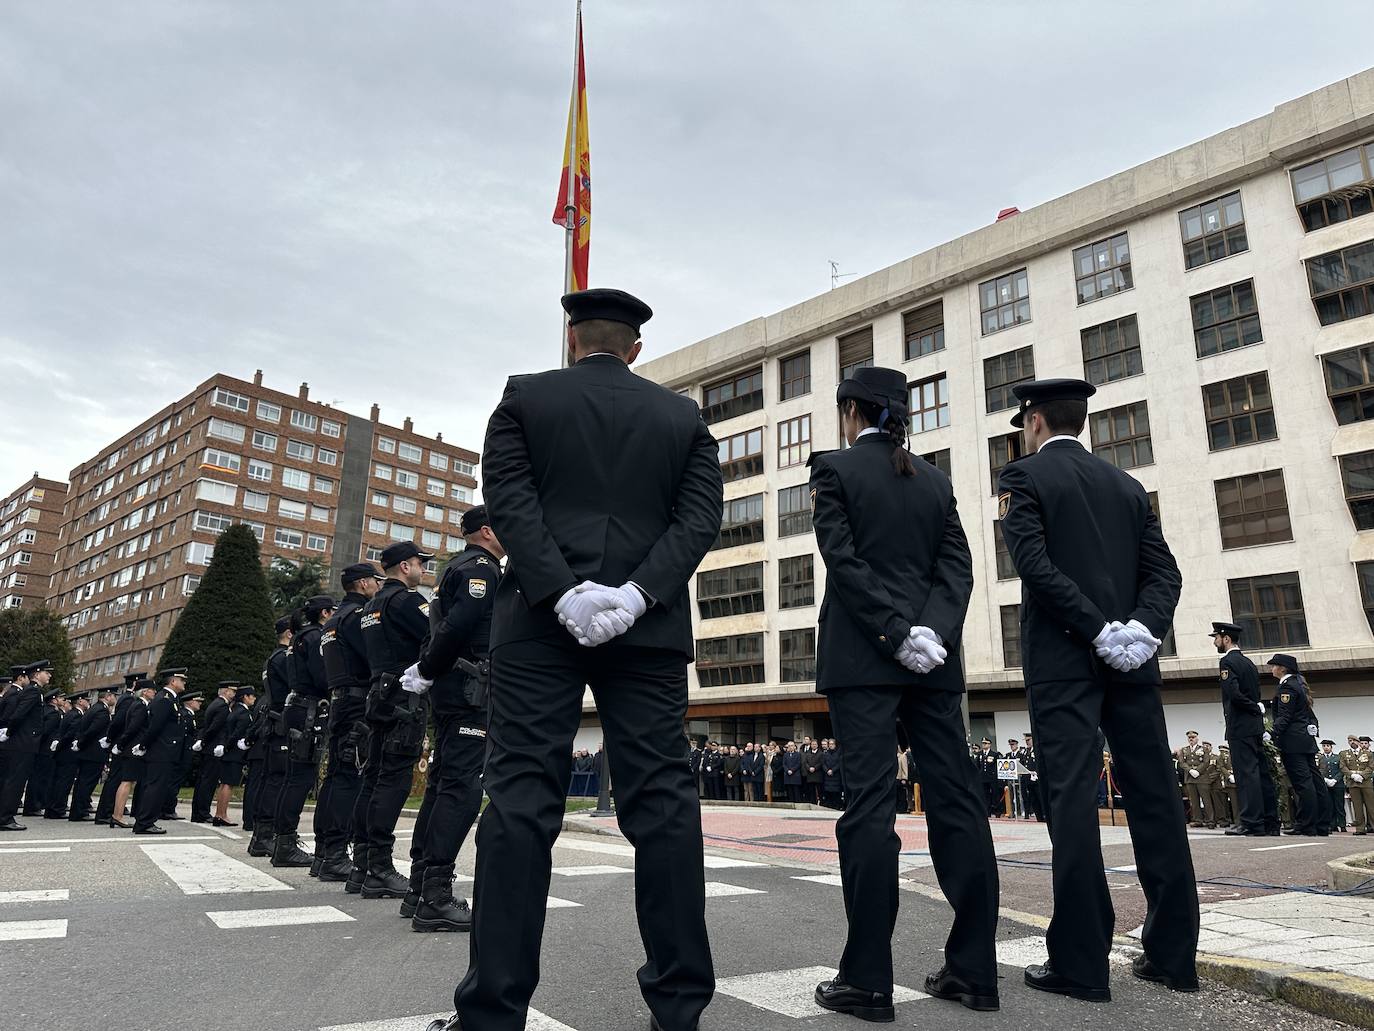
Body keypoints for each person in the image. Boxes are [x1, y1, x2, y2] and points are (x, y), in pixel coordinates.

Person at [430, 288, 723, 1031]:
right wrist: (635, 595)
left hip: (536, 622)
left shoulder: (523, 398)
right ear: (635, 348)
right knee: (662, 806)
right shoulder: (682, 416)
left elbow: (508, 501)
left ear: (571, 339)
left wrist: (561, 592)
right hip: (648, 629)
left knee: (521, 802)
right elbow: (699, 518)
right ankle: (680, 1009)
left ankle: (492, 1013)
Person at [807, 364, 999, 1020]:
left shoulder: (833, 471)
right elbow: (959, 567)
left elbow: (845, 562)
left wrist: (892, 631)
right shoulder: (936, 482)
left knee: (869, 809)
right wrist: (931, 633)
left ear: (851, 410)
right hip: (933, 665)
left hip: (864, 659)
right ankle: (975, 970)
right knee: (958, 806)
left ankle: (867, 978)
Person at [997, 377, 1195, 1000]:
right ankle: (1173, 954)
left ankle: (1082, 962)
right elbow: (1166, 573)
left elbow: (1033, 564)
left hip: (1065, 661)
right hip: (1132, 662)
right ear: (1080, 423)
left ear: (1032, 422)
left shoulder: (1023, 479)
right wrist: (1141, 630)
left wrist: (1095, 629)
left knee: (1073, 804)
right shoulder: (1129, 487)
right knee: (1157, 800)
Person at [399, 504, 503, 932]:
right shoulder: (482, 568)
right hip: (469, 688)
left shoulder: (453, 569)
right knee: (461, 788)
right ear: (488, 531)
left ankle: (420, 886)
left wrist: (428, 670)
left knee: (443, 784)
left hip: (451, 687)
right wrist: (426, 667)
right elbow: (458, 626)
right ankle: (436, 895)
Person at [358, 543, 432, 898]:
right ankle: (379, 868)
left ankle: (363, 865)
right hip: (404, 695)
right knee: (395, 780)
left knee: (374, 778)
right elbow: (436, 632)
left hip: (380, 693)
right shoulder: (405, 600)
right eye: (419, 563)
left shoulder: (371, 605)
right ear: (405, 566)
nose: (422, 569)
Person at [316, 563, 382, 880]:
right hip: (356, 701)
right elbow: (373, 653)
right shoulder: (357, 616)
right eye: (375, 581)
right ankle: (335, 854)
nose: (378, 586)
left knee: (336, 777)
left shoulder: (334, 620)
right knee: (348, 778)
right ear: (362, 583)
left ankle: (324, 852)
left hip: (341, 699)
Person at [272, 594, 335, 868]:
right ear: (324, 613)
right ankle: (285, 843)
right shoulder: (315, 637)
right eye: (332, 611)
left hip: (298, 708)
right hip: (309, 711)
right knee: (300, 779)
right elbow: (323, 677)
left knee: (293, 778)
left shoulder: (300, 636)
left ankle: (282, 840)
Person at [1210, 622, 1276, 836]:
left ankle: (1251, 822)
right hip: (1253, 726)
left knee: (1246, 775)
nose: (1215, 642)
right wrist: (1256, 708)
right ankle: (1269, 822)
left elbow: (1233, 693)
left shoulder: (1227, 661)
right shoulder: (1248, 662)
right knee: (1261, 773)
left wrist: (1252, 708)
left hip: (1240, 724)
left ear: (1226, 639)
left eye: (1217, 638)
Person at [247, 618, 294, 858]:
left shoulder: (272, 658)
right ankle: (265, 836)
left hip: (274, 724)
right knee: (276, 780)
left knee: (270, 780)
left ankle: (261, 836)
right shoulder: (284, 657)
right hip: (280, 724)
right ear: (288, 633)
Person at [131, 669, 189, 835]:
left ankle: (147, 821)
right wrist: (144, 745)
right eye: (181, 680)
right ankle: (144, 823)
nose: (184, 683)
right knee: (155, 788)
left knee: (157, 788)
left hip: (165, 752)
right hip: (161, 751)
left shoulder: (171, 699)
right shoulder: (164, 699)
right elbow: (155, 726)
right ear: (173, 681)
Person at [1267, 654, 1320, 836]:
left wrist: (1271, 733)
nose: (1271, 669)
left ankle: (1306, 824)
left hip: (1293, 742)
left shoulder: (1287, 687)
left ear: (1282, 668)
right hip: (1304, 740)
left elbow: (1285, 716)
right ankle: (1320, 823)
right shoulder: (1298, 684)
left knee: (1302, 784)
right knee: (1314, 782)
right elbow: (1309, 715)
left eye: (1274, 666)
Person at [0, 661, 54, 831]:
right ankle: (5, 818)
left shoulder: (33, 691)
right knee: (15, 782)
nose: (49, 675)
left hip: (23, 742)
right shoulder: (33, 691)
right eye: (47, 672)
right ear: (37, 674)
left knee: (13, 781)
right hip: (22, 743)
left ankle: (5, 816)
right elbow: (18, 715)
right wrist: (9, 733)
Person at [94, 672, 146, 826]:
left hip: (122, 742)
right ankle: (106, 812)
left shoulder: (126, 698)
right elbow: (119, 722)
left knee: (117, 779)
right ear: (136, 685)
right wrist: (111, 739)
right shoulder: (129, 699)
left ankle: (109, 812)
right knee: (116, 779)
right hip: (123, 744)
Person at [69, 685, 117, 822]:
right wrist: (80, 743)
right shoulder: (101, 711)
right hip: (93, 753)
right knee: (86, 783)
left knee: (82, 782)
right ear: (107, 696)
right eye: (114, 696)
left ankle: (78, 811)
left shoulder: (94, 708)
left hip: (88, 752)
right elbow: (93, 731)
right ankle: (80, 812)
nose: (115, 698)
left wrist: (80, 743)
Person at [190, 681, 236, 823]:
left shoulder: (215, 703)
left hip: (209, 748)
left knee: (203, 781)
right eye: (233, 691)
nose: (234, 694)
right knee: (208, 782)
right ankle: (203, 813)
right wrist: (204, 741)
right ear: (226, 691)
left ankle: (198, 813)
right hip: (213, 748)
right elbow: (215, 727)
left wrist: (202, 741)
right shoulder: (222, 706)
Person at [23, 689, 66, 817]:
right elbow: (46, 731)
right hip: (46, 750)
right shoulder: (54, 714)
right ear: (54, 699)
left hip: (40, 749)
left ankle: (32, 805)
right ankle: (34, 806)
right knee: (41, 779)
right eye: (61, 698)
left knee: (36, 777)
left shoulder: (44, 710)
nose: (63, 701)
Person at [216, 685, 255, 825]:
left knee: (224, 784)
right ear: (245, 697)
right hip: (234, 753)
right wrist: (228, 747)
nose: (254, 699)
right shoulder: (243, 714)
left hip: (228, 752)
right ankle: (223, 815)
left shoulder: (234, 710)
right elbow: (236, 733)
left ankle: (219, 814)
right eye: (252, 696)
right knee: (228, 784)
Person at [43, 692, 86, 819]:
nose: (88, 702)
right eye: (86, 700)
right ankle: (58, 809)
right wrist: (61, 744)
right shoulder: (77, 716)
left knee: (56, 781)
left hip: (62, 753)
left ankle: (51, 808)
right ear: (80, 702)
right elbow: (70, 734)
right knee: (64, 782)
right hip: (68, 754)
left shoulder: (69, 714)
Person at [166, 689, 204, 821]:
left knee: (175, 781)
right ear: (190, 702)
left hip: (185, 752)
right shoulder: (186, 715)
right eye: (198, 701)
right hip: (182, 753)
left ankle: (168, 808)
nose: (200, 704)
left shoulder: (189, 714)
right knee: (174, 781)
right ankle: (168, 809)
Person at [1342, 736, 1374, 834]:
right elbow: (1342, 766)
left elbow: (1371, 766)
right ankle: (1360, 828)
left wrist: (1362, 776)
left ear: (1359, 742)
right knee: (1357, 807)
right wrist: (1352, 775)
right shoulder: (1344, 754)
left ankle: (1372, 826)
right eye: (1350, 741)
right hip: (1353, 783)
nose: (1352, 742)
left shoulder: (1368, 754)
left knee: (1371, 806)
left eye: (1354, 740)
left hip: (1365, 782)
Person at [1019, 734, 1043, 822]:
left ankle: (1044, 815)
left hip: (1037, 780)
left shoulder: (1038, 750)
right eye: (1025, 740)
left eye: (1028, 740)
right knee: (1033, 799)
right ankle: (1039, 817)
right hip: (1028, 780)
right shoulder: (1025, 751)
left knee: (1040, 797)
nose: (1027, 742)